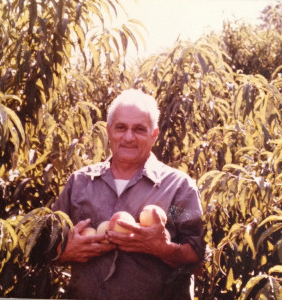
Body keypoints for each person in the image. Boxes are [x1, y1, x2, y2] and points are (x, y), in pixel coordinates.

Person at [52, 88, 204, 300]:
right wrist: (64, 253)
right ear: (109, 131)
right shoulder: (80, 183)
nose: (129, 137)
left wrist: (163, 249)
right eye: (121, 127)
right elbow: (47, 246)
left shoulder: (178, 188)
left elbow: (197, 253)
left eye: (139, 129)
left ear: (154, 135)